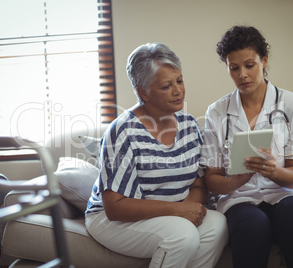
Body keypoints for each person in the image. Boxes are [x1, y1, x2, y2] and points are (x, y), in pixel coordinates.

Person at [85, 42, 228, 268]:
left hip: (169, 214)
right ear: (144, 92)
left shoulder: (189, 125)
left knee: (218, 224)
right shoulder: (122, 131)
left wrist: (188, 209)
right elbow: (115, 207)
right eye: (166, 86)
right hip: (113, 219)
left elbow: (199, 184)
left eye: (180, 81)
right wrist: (177, 211)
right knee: (182, 235)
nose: (178, 90)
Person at [200, 26, 293, 268]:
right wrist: (236, 181)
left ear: (264, 61)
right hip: (239, 199)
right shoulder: (217, 111)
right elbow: (211, 178)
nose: (242, 75)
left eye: (249, 65)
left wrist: (273, 171)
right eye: (234, 68)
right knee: (252, 225)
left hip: (285, 193)